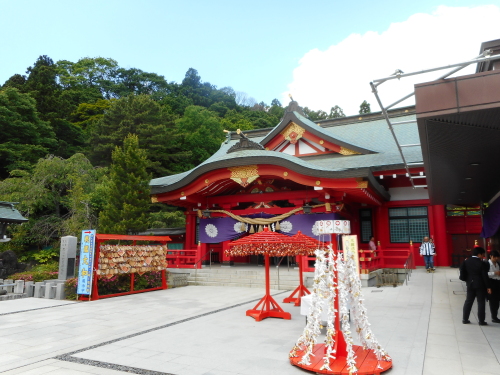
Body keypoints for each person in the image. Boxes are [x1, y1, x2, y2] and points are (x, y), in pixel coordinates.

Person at [461, 247, 492, 325]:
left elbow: (462, 273)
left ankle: (465, 319)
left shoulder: (466, 261)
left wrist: (467, 280)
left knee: (468, 301)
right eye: (483, 254)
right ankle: (481, 321)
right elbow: (485, 276)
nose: (483, 256)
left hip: (470, 284)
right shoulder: (482, 263)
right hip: (480, 285)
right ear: (479, 254)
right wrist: (488, 287)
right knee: (481, 302)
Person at [487, 250, 500, 323]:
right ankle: (494, 316)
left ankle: (495, 316)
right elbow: (485, 274)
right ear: (491, 256)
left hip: (498, 282)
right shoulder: (487, 264)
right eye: (495, 257)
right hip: (491, 283)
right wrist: (494, 273)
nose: (496, 259)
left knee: (498, 300)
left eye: (497, 257)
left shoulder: (498, 264)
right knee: (493, 301)